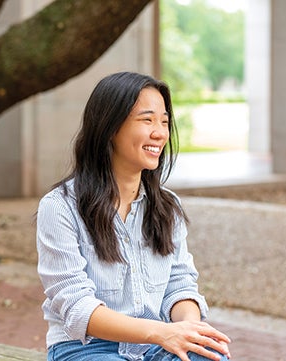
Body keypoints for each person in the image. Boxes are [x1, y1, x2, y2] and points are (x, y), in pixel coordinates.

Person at [36, 71, 231, 361]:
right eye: (147, 120)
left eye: (164, 122)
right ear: (110, 127)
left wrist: (189, 330)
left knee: (210, 355)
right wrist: (160, 332)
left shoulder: (167, 206)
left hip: (154, 347)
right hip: (86, 349)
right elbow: (77, 306)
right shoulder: (61, 207)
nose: (160, 133)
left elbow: (179, 284)